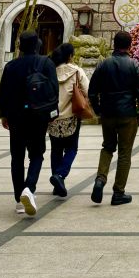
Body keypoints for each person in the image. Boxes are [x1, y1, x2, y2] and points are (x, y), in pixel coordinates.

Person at [0, 30, 59, 216]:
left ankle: (19, 199)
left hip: (16, 117)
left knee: (17, 157)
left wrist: (4, 115)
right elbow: (54, 90)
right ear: (37, 45)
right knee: (37, 154)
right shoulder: (46, 63)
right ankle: (29, 188)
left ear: (21, 47)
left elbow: (3, 94)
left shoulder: (11, 66)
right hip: (38, 116)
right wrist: (52, 113)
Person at [88, 30, 139, 206]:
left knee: (107, 147)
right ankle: (118, 192)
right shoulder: (134, 65)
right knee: (124, 153)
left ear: (113, 44)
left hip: (108, 113)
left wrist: (99, 110)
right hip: (127, 114)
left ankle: (100, 179)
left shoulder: (103, 64)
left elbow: (92, 92)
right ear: (130, 46)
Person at [47, 42, 89, 198]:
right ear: (70, 56)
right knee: (71, 149)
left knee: (56, 150)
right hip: (71, 117)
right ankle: (60, 175)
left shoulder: (49, 70)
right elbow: (88, 90)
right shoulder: (77, 72)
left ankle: (57, 183)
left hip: (52, 118)